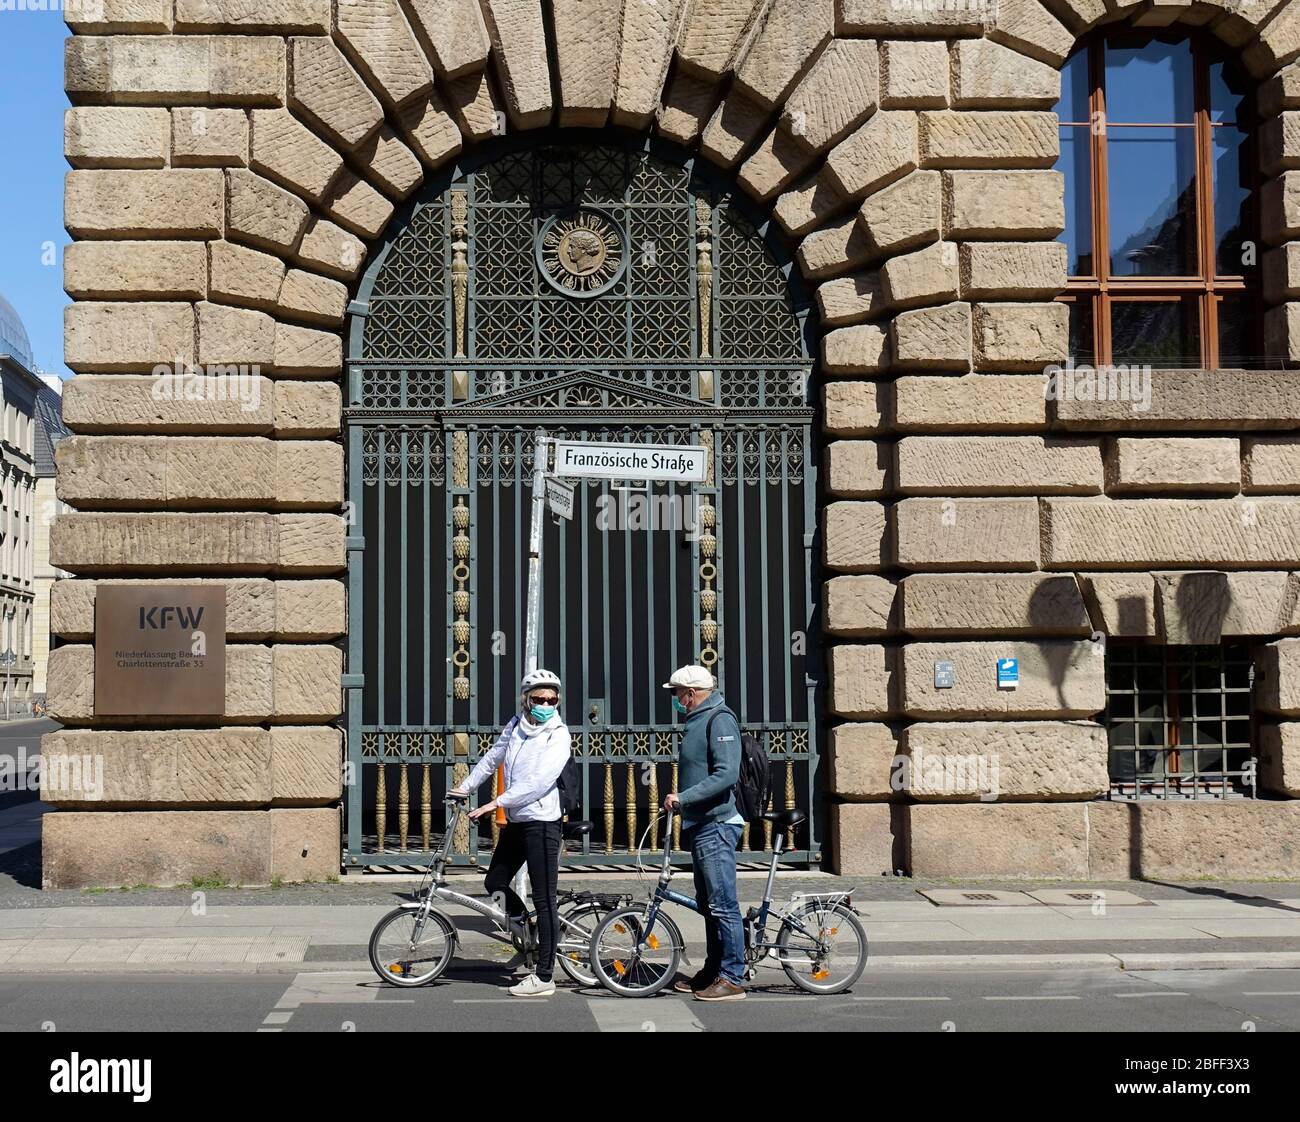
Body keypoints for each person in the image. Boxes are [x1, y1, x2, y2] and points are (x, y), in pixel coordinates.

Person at [451, 669, 571, 997]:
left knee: (544, 899)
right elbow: (492, 759)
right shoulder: (516, 725)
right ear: (526, 700)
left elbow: (538, 783)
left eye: (552, 699)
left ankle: (544, 977)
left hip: (543, 823)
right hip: (519, 821)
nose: (546, 704)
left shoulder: (559, 735)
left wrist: (494, 804)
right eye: (539, 699)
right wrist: (464, 788)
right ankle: (527, 931)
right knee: (495, 882)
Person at [661, 664, 746, 1001]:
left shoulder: (720, 719)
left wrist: (684, 798)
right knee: (709, 905)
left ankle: (732, 976)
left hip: (716, 825)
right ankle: (713, 970)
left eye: (677, 693)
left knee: (723, 904)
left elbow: (726, 775)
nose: (676, 699)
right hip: (701, 824)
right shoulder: (697, 720)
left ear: (691, 694)